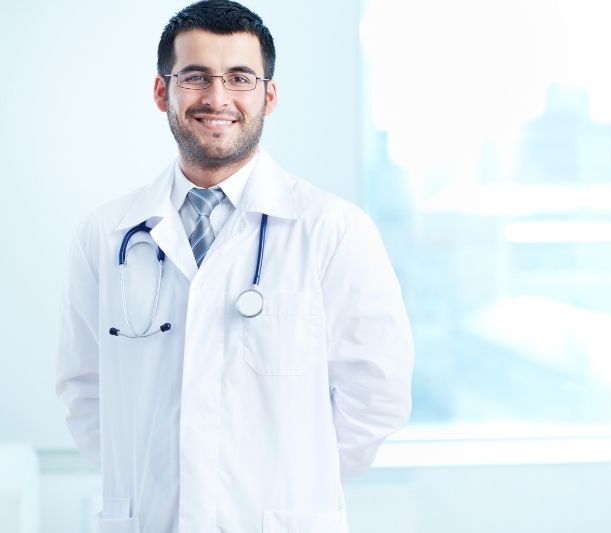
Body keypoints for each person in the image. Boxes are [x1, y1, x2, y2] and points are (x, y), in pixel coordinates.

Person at [54, 1, 414, 532]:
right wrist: (158, 475)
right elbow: (84, 391)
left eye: (240, 78)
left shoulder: (334, 231)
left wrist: (292, 480)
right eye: (196, 77)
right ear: (163, 92)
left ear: (268, 96)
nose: (217, 98)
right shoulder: (105, 235)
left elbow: (376, 395)